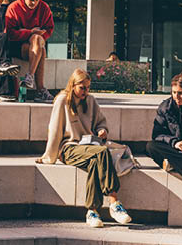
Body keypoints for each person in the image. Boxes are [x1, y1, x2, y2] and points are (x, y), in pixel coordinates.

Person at [37, 68, 133, 228]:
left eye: (88, 88)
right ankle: (114, 200)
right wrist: (49, 156)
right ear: (73, 85)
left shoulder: (91, 101)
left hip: (90, 147)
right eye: (82, 88)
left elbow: (101, 122)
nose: (85, 92)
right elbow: (54, 129)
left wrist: (103, 130)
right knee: (102, 152)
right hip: (69, 148)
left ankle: (92, 211)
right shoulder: (62, 100)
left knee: (96, 163)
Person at [5, 0, 55, 103]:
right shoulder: (14, 7)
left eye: (37, 0)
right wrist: (29, 32)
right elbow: (10, 34)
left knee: (38, 41)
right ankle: (40, 90)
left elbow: (49, 29)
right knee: (41, 50)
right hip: (16, 45)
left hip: (35, 44)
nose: (34, 3)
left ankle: (30, 77)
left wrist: (37, 34)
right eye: (31, 0)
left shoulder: (44, 8)